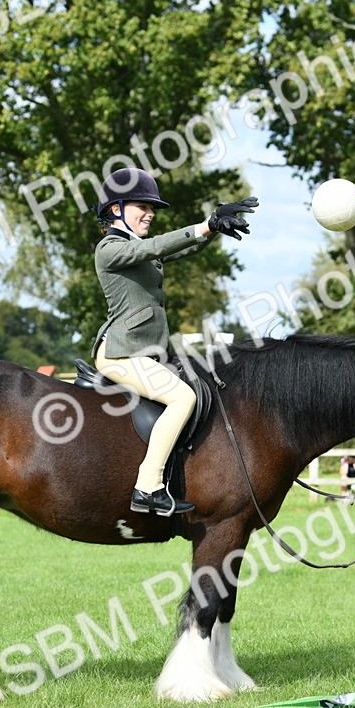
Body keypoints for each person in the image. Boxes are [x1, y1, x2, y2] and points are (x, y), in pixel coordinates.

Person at [91, 167, 257, 517]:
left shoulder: (136, 248)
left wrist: (214, 228)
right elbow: (157, 246)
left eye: (152, 208)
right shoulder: (109, 249)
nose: (150, 213)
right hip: (121, 353)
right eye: (143, 206)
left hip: (147, 352)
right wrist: (205, 224)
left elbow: (177, 249)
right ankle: (147, 486)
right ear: (116, 209)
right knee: (183, 397)